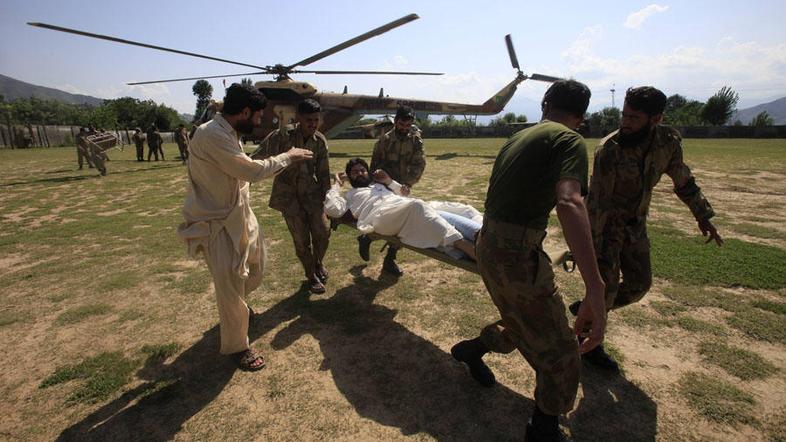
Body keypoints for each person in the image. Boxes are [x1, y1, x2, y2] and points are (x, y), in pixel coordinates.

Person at [449, 80, 607, 441]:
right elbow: (569, 202)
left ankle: (470, 350)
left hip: (490, 245)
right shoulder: (568, 140)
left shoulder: (520, 137)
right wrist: (594, 285)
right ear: (580, 118)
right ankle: (544, 430)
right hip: (515, 254)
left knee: (525, 323)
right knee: (563, 353)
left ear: (546, 103)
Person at [568, 86, 723, 372]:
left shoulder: (668, 143)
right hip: (606, 229)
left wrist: (703, 216)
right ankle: (588, 344)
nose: (625, 123)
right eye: (623, 115)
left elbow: (683, 181)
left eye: (634, 118)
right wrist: (589, 245)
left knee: (640, 286)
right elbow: (598, 202)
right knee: (606, 289)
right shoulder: (610, 149)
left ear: (656, 119)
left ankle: (591, 308)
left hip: (636, 227)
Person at [177, 83, 313, 371]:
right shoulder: (211, 135)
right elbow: (252, 171)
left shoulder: (228, 132)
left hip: (240, 216)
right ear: (246, 111)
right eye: (257, 116)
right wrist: (289, 156)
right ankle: (238, 347)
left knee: (256, 269)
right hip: (217, 224)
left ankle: (238, 309)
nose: (260, 122)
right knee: (230, 289)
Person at [325, 158, 478, 261]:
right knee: (417, 206)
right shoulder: (350, 195)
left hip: (403, 207)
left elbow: (403, 194)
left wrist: (388, 181)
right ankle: (463, 245)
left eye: (362, 170)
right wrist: (337, 184)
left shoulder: (378, 185)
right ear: (350, 177)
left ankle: (482, 234)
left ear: (368, 172)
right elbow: (333, 209)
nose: (359, 173)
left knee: (463, 209)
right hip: (382, 218)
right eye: (355, 172)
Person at [250, 99, 331, 294]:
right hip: (288, 198)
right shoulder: (281, 136)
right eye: (309, 120)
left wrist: (328, 200)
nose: (313, 124)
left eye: (316, 120)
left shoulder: (319, 141)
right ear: (299, 119)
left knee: (323, 233)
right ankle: (311, 275)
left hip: (312, 196)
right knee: (301, 240)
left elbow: (323, 174)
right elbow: (257, 158)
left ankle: (318, 263)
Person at [359, 105, 426, 276]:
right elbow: (375, 166)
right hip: (386, 189)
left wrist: (408, 184)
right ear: (396, 122)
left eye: (408, 125)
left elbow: (420, 164)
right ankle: (368, 238)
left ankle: (390, 259)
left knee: (405, 223)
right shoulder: (384, 141)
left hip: (403, 189)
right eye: (402, 124)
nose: (405, 128)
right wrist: (383, 181)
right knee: (388, 221)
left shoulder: (416, 140)